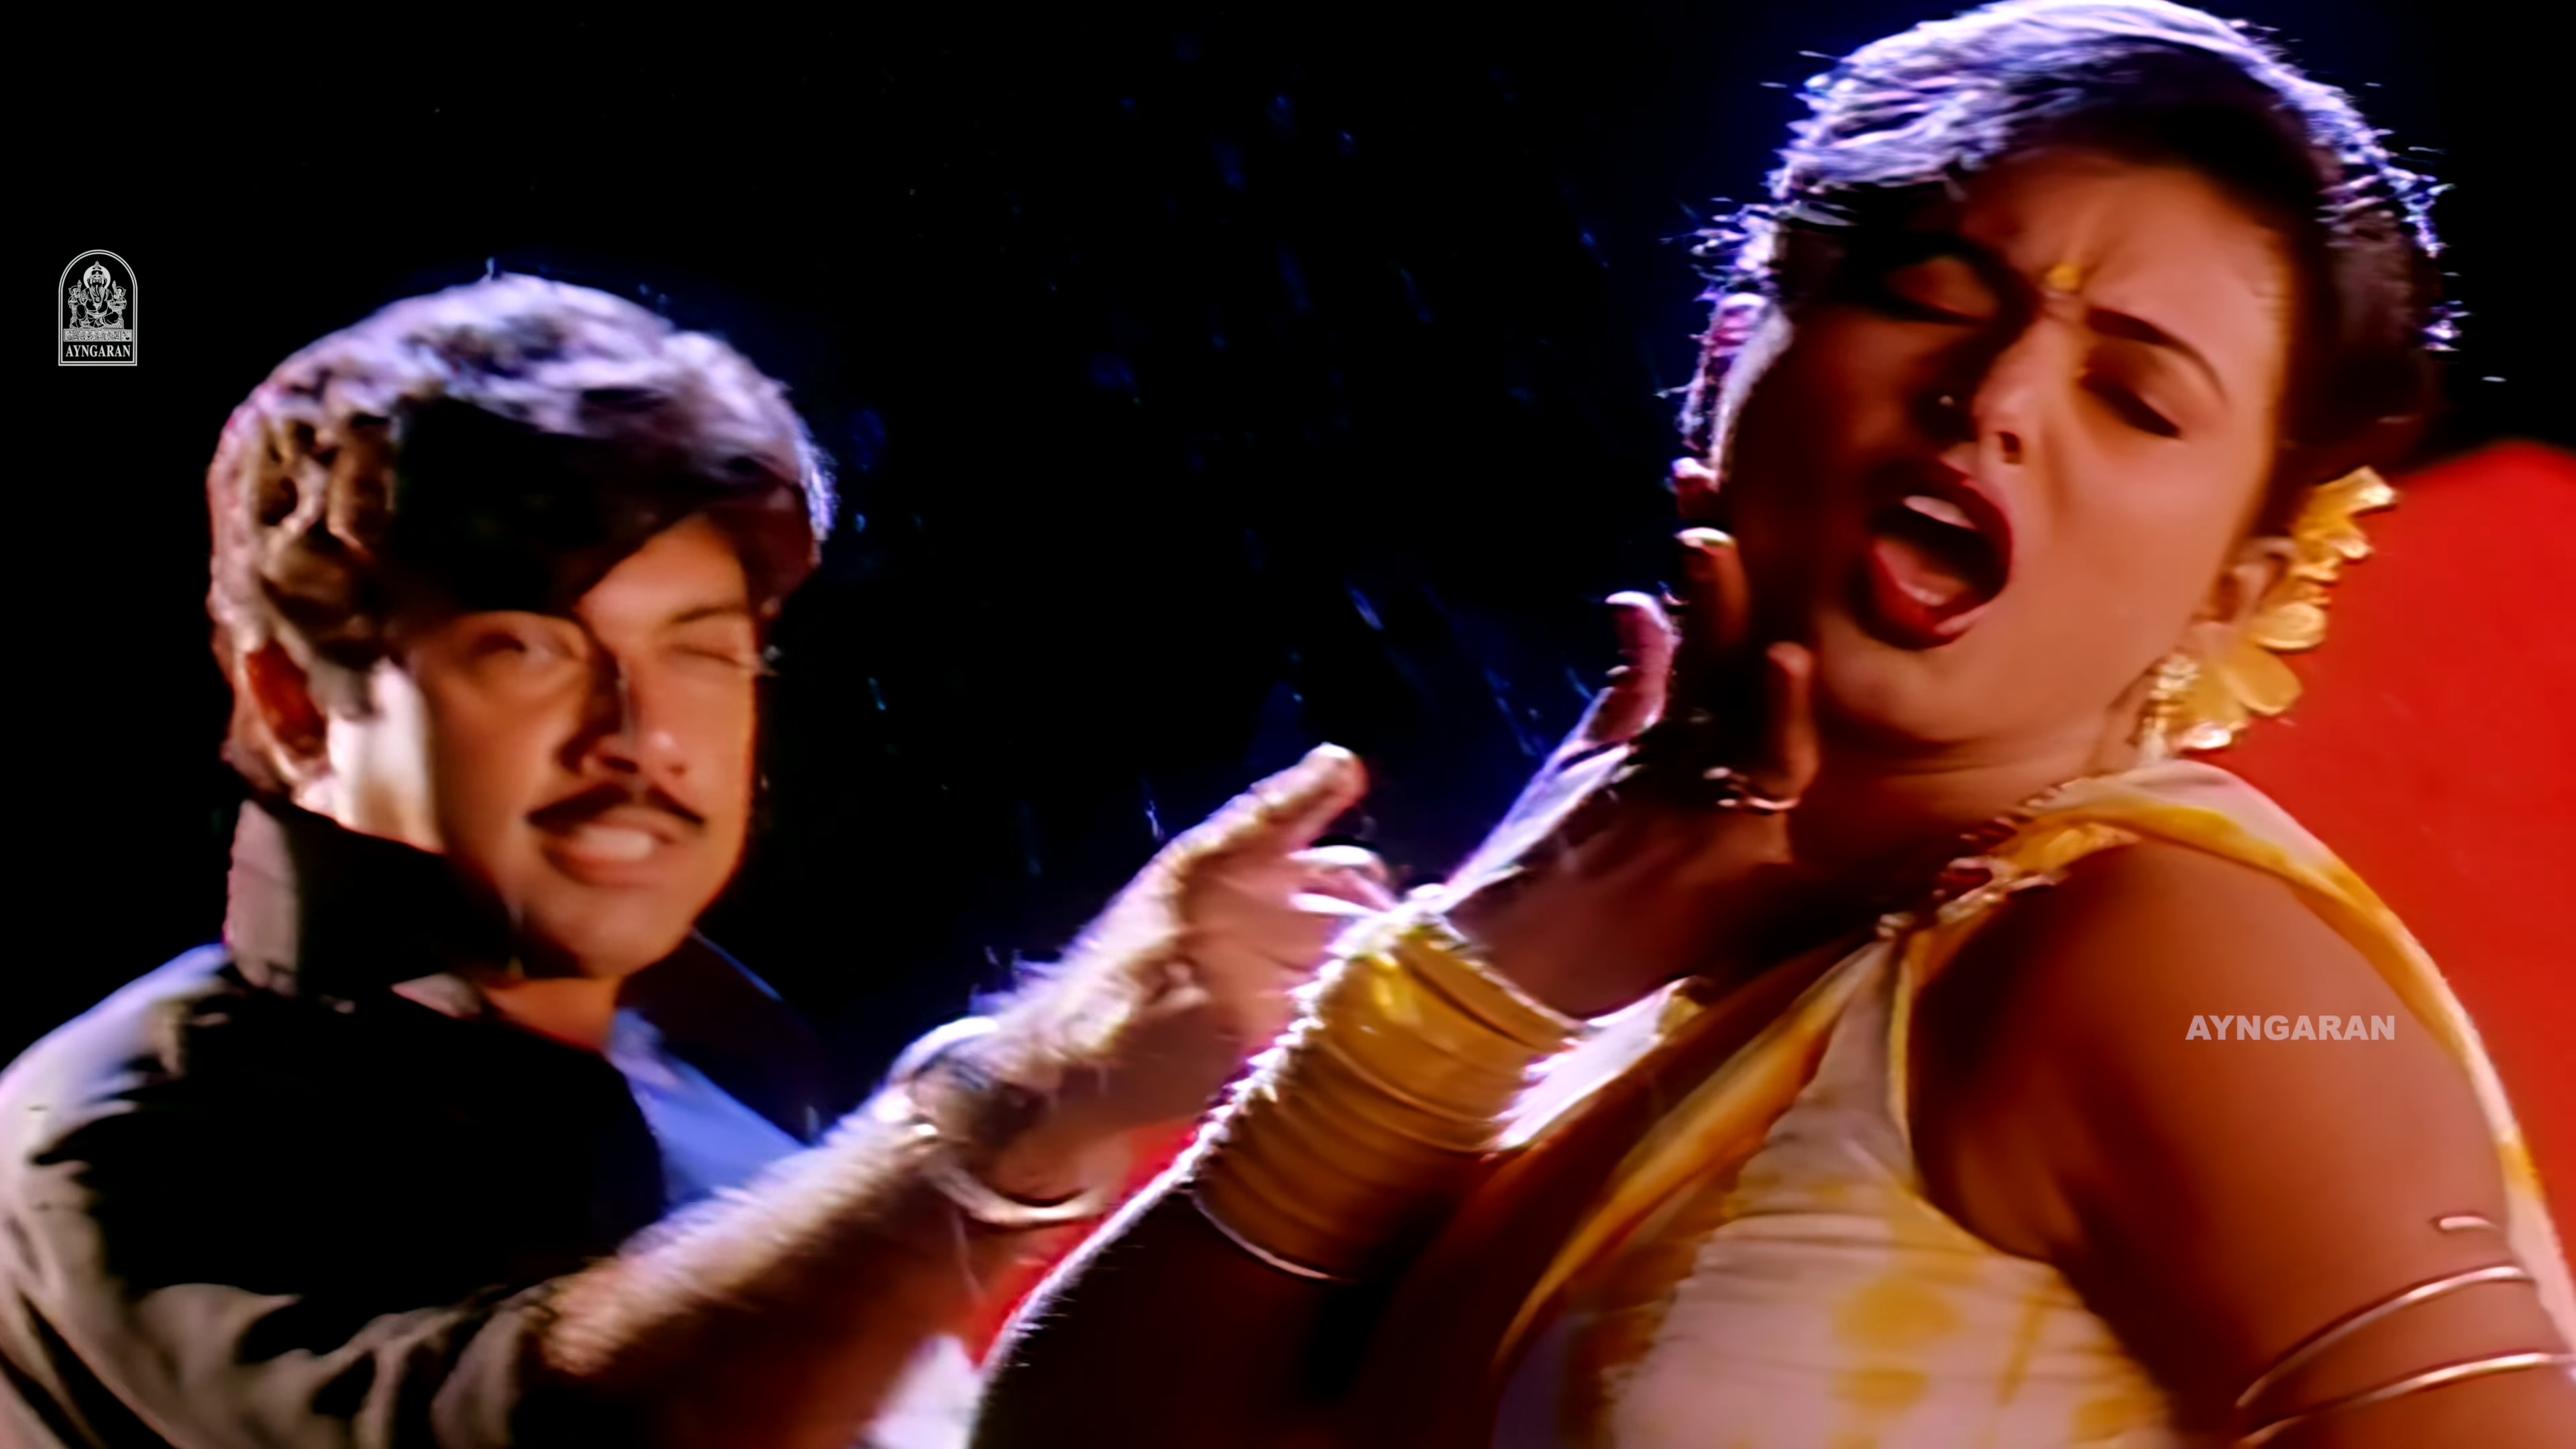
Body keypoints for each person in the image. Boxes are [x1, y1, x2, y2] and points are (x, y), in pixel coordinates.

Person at [972, 3, 2576, 1444]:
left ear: (2237, 591)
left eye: (2136, 398)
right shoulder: (1608, 969)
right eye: (1932, 294)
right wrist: (1484, 974)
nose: (1997, 398)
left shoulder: (2173, 961)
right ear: (1730, 355)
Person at [0, 276, 1393, 1449]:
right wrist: (1032, 1087)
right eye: (529, 648)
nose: (639, 735)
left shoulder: (721, 1065)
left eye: (701, 649)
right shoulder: (118, 1133)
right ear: (297, 703)